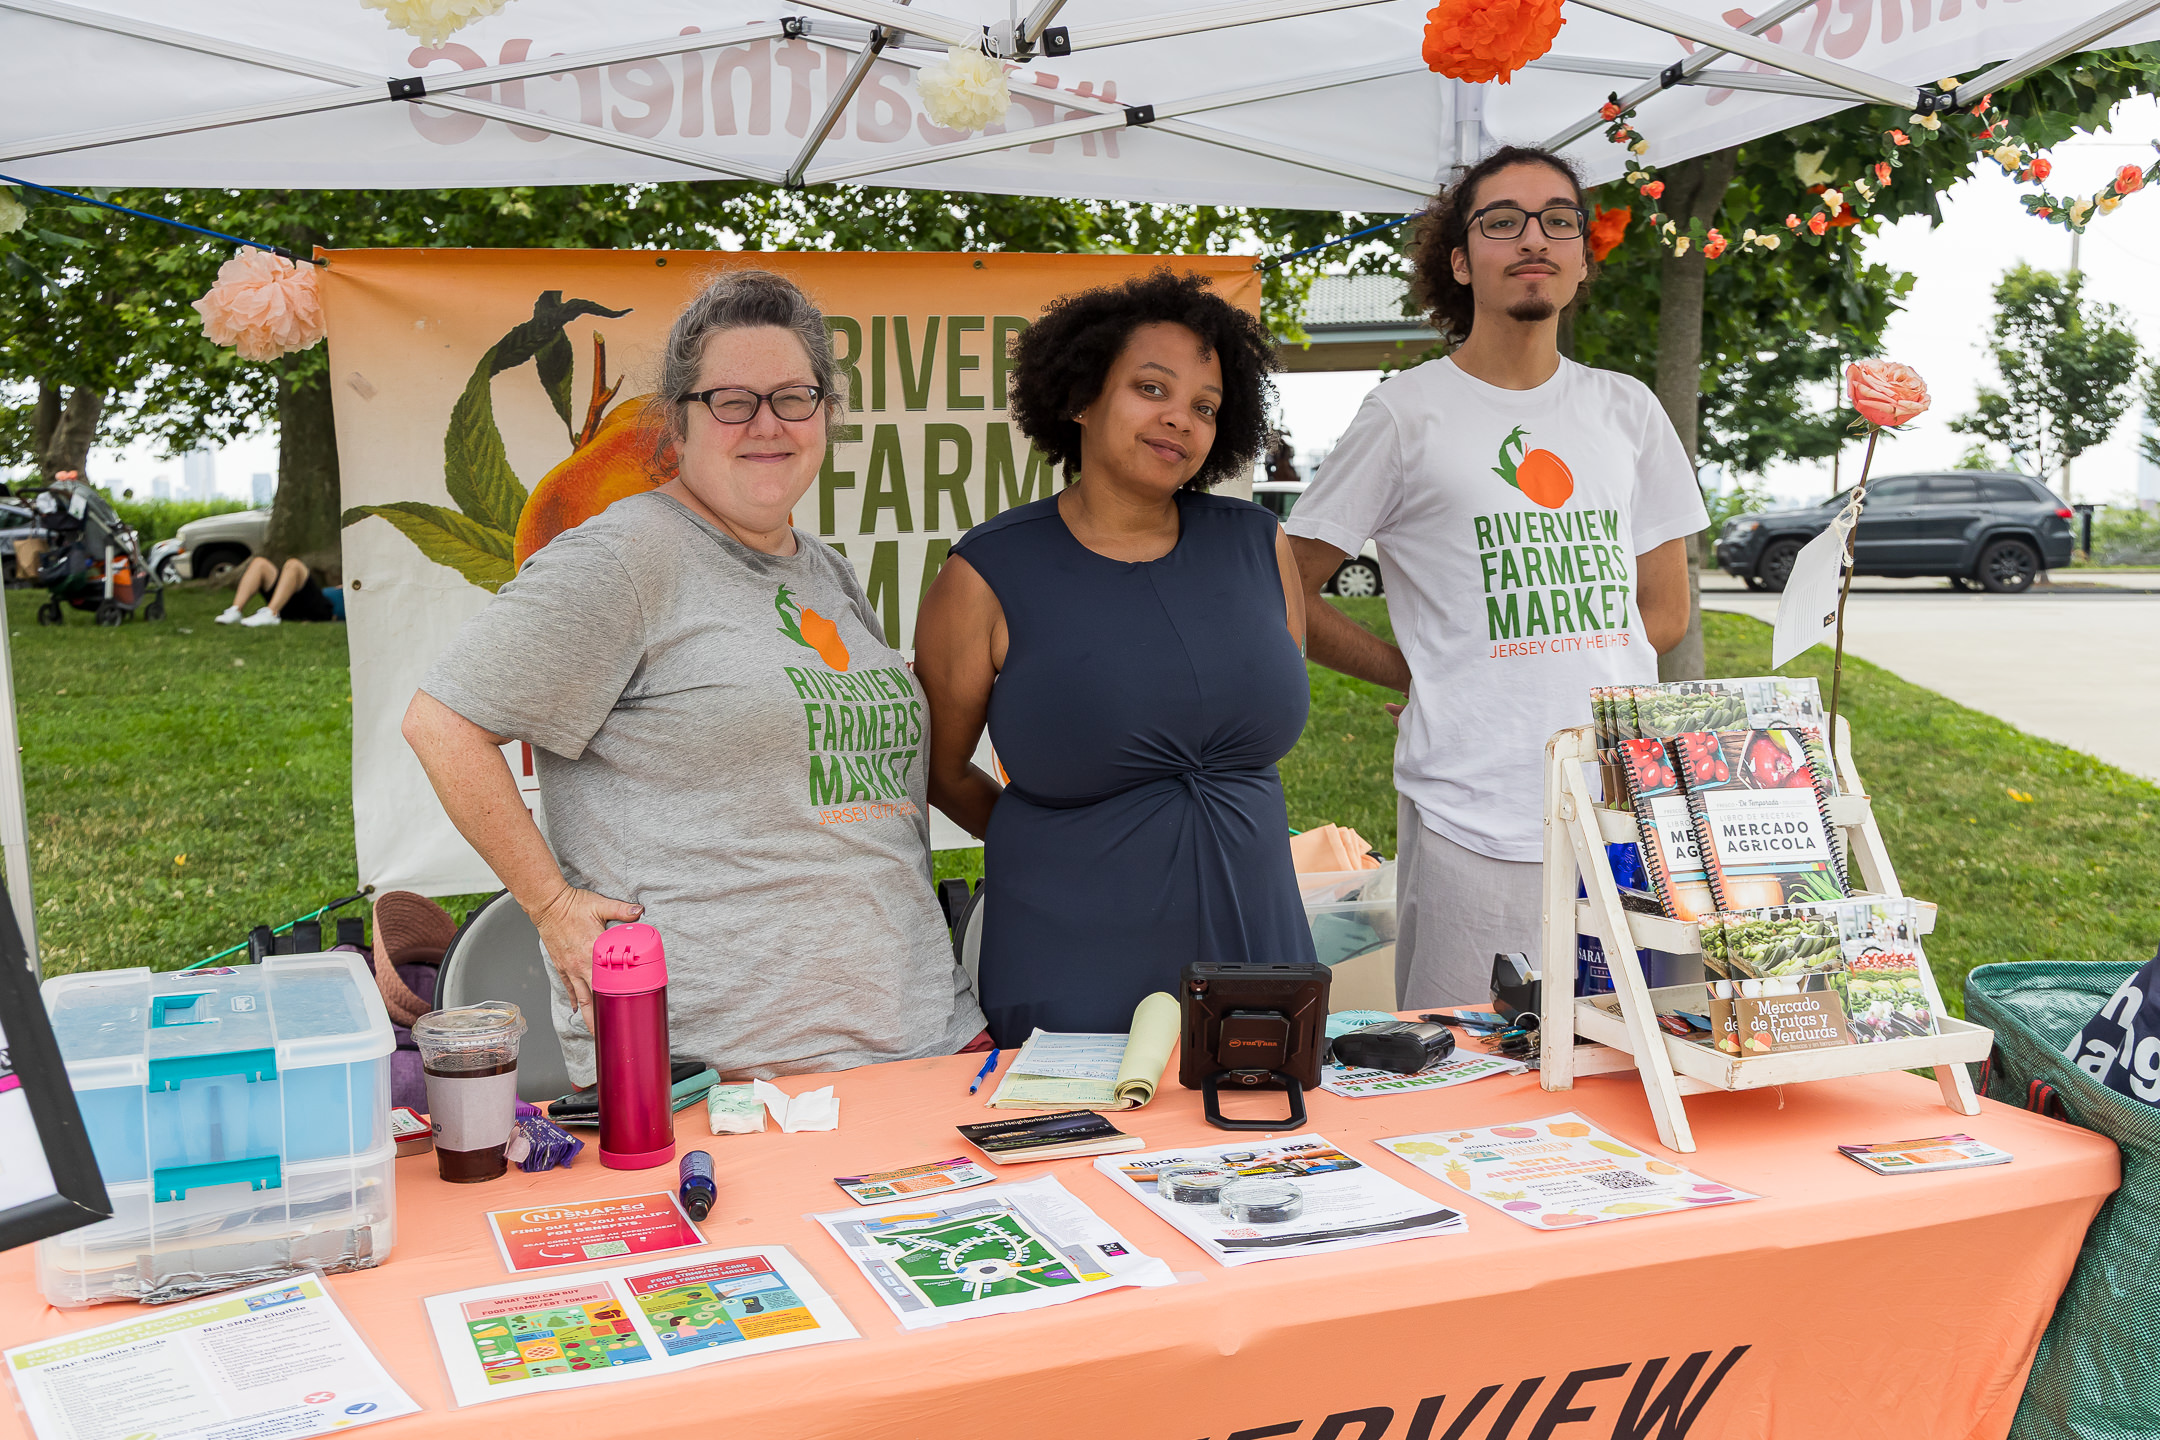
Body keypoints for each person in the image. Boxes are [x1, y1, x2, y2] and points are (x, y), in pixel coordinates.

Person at [401, 269, 986, 1084]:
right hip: (724, 1068)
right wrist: (553, 905)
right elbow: (442, 724)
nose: (766, 424)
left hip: (923, 1032)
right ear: (677, 421)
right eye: (731, 400)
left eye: (794, 396)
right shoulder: (626, 557)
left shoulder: (826, 573)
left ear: (826, 414)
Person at [1285, 145, 1707, 1008]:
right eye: (1502, 220)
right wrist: (1411, 669)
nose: (1534, 238)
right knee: (1468, 1067)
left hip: (1626, 812)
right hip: (1470, 813)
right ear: (1459, 258)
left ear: (1583, 259)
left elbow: (1661, 612)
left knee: (1627, 1054)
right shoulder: (1407, 413)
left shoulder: (1626, 407)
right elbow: (1282, 585)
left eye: (1559, 220)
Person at [915, 269, 1314, 1043]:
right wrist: (1054, 840)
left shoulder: (1258, 545)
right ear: (1080, 397)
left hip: (1259, 944)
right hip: (1071, 955)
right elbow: (937, 767)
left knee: (1267, 1147)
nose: (1181, 421)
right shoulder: (989, 571)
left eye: (1205, 407)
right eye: (1152, 389)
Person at [217, 555, 344, 626]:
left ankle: (270, 613)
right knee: (259, 563)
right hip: (290, 605)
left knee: (294, 564)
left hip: (322, 609)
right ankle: (235, 611)